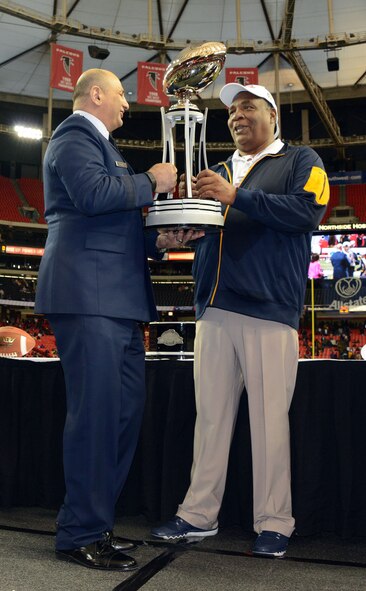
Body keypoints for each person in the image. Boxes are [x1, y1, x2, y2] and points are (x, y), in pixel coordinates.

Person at [35, 68, 202, 571]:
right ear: (96, 94)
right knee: (98, 417)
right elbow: (91, 196)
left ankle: (94, 524)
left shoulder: (104, 147)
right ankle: (81, 531)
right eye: (123, 94)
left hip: (116, 298)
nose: (129, 103)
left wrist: (161, 242)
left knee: (122, 415)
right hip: (90, 293)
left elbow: (114, 216)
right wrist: (151, 180)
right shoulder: (73, 136)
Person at [151, 83, 329, 558]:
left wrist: (237, 196)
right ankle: (197, 514)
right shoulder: (219, 169)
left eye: (248, 107)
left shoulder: (302, 160)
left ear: (273, 117)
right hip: (214, 305)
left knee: (270, 422)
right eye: (231, 111)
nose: (237, 116)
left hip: (270, 308)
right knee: (209, 420)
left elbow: (308, 212)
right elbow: (211, 230)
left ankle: (274, 521)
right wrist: (183, 232)